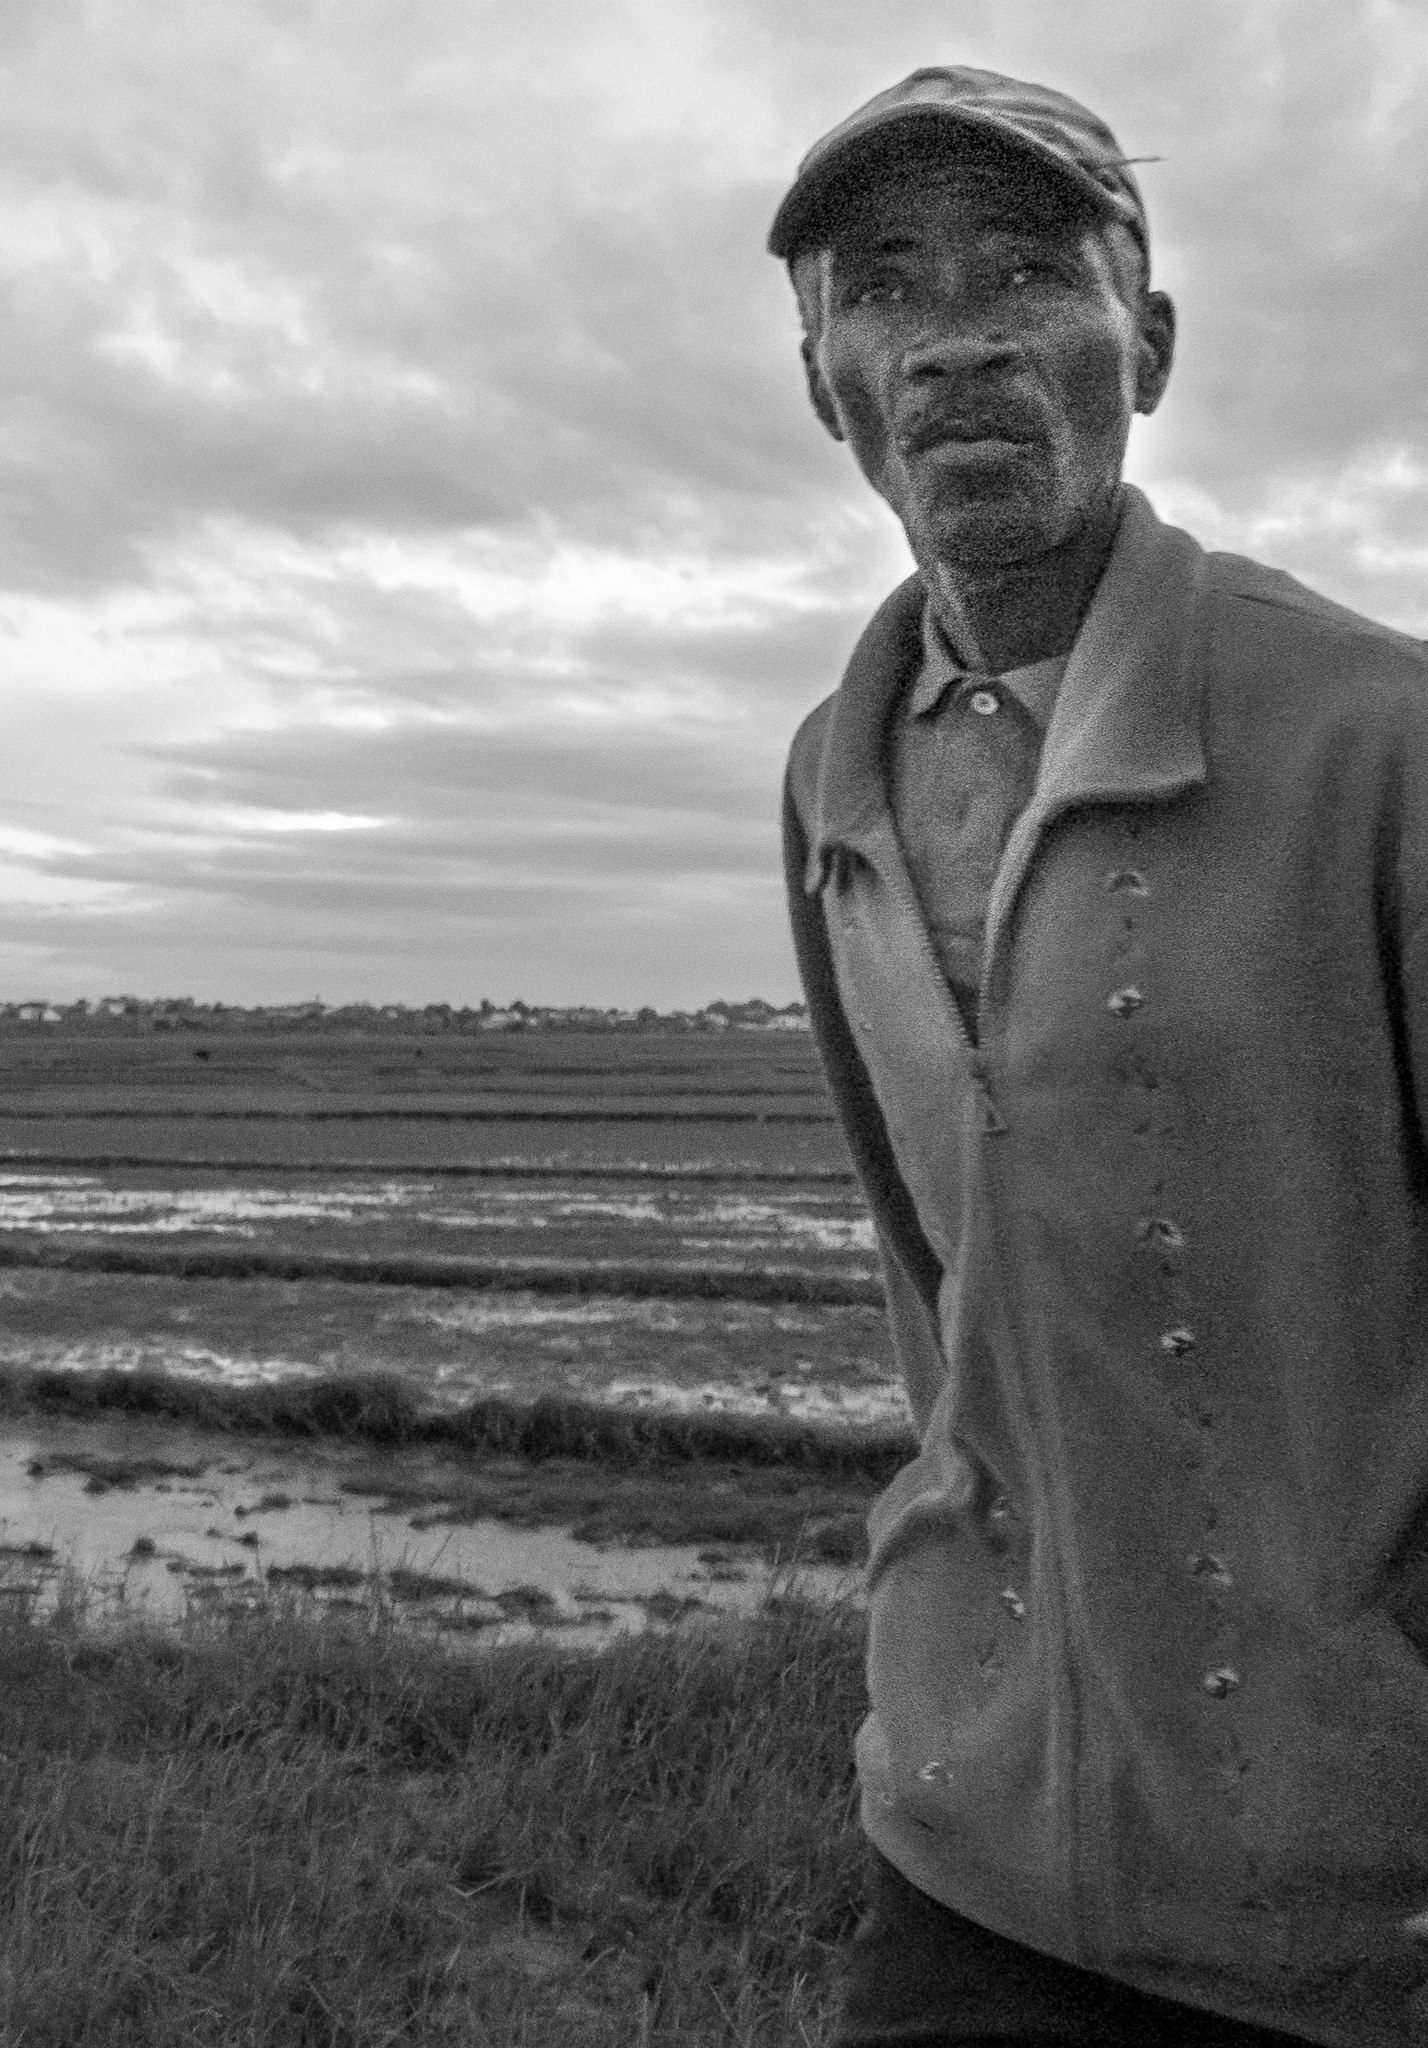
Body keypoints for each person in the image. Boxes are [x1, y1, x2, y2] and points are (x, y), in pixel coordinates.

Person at [772, 65, 1428, 2048]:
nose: (954, 332)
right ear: (823, 384)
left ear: (1141, 342)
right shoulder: (829, 767)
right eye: (879, 286)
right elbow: (926, 1282)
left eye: (1028, 269)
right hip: (962, 1839)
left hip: (1345, 1893)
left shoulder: (1373, 741)